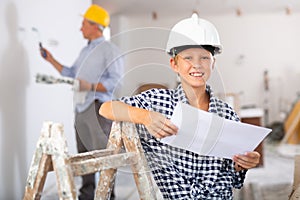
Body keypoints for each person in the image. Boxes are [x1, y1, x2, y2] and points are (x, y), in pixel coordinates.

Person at [99, 15, 260, 199]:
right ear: (174, 64)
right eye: (188, 58)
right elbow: (107, 108)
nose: (197, 65)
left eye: (204, 58)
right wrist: (146, 117)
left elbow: (232, 177)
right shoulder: (159, 102)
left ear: (213, 63)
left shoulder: (227, 114)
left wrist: (243, 163)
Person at [40, 4, 123, 200]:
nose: (80, 28)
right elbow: (71, 74)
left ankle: (108, 196)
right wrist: (51, 60)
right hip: (80, 109)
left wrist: (90, 86)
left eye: (84, 23)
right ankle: (86, 195)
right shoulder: (85, 51)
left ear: (95, 26)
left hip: (97, 108)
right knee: (83, 156)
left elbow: (116, 81)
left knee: (104, 158)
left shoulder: (109, 50)